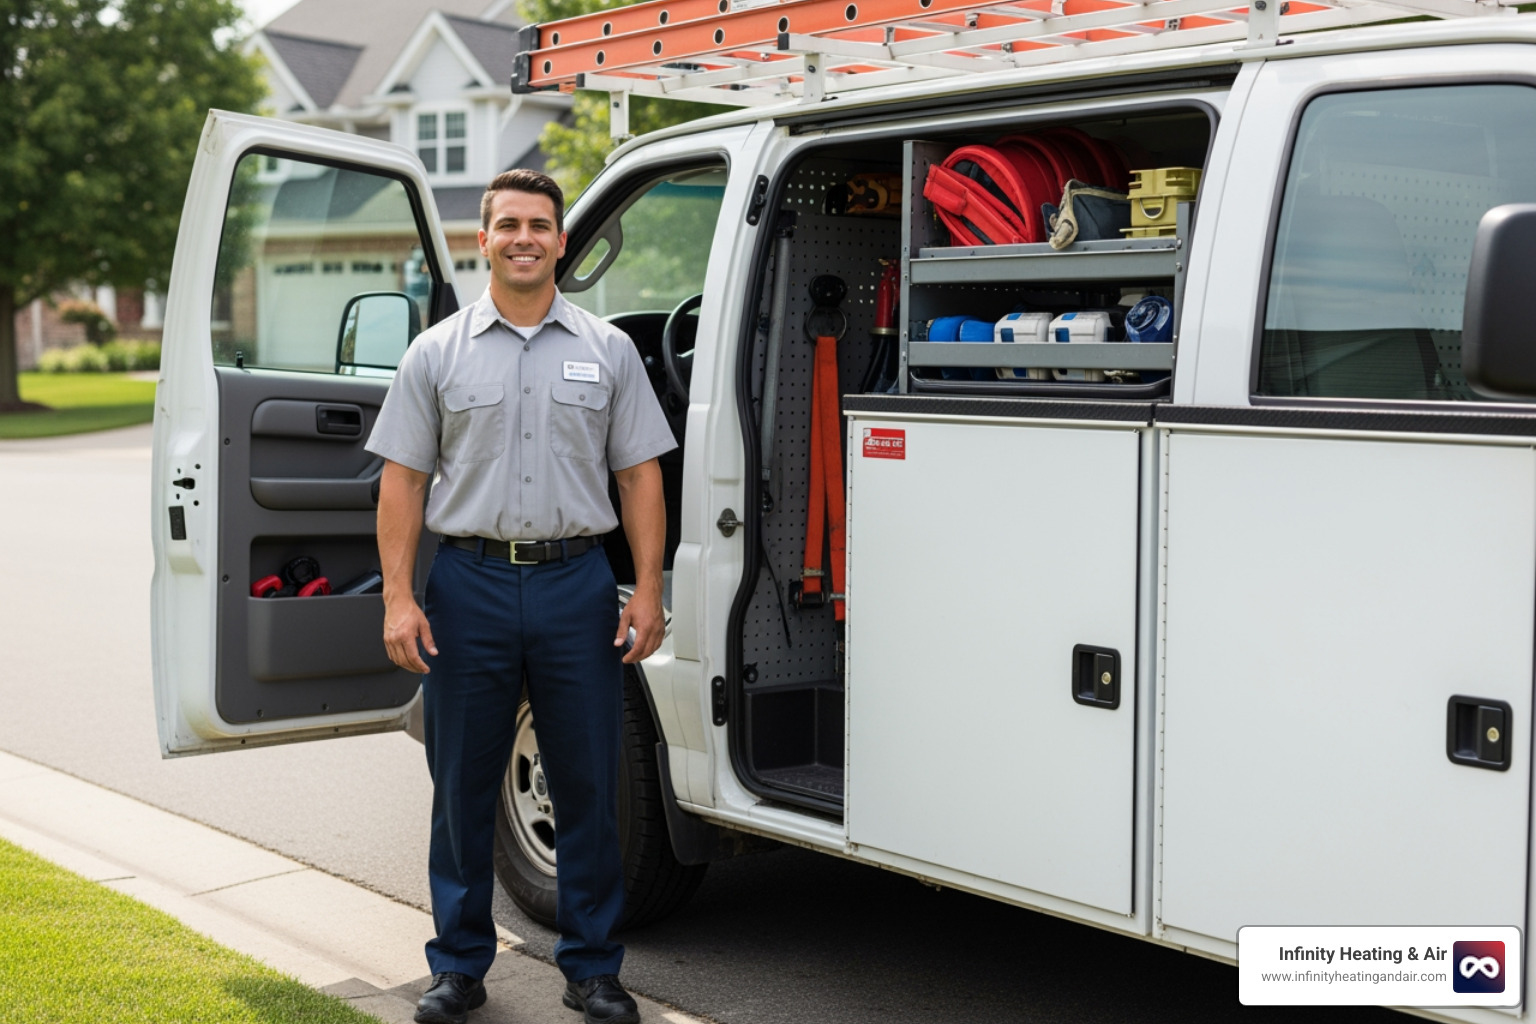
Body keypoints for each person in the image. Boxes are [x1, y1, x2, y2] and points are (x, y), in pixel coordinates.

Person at [365, 168, 676, 1024]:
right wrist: (400, 596)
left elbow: (640, 475)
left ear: (562, 240)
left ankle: (592, 968)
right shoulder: (437, 352)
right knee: (461, 785)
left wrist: (645, 589)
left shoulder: (608, 349)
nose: (525, 238)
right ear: (485, 239)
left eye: (540, 224)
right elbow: (402, 483)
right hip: (468, 583)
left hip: (579, 583)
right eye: (509, 224)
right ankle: (459, 966)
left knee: (587, 783)